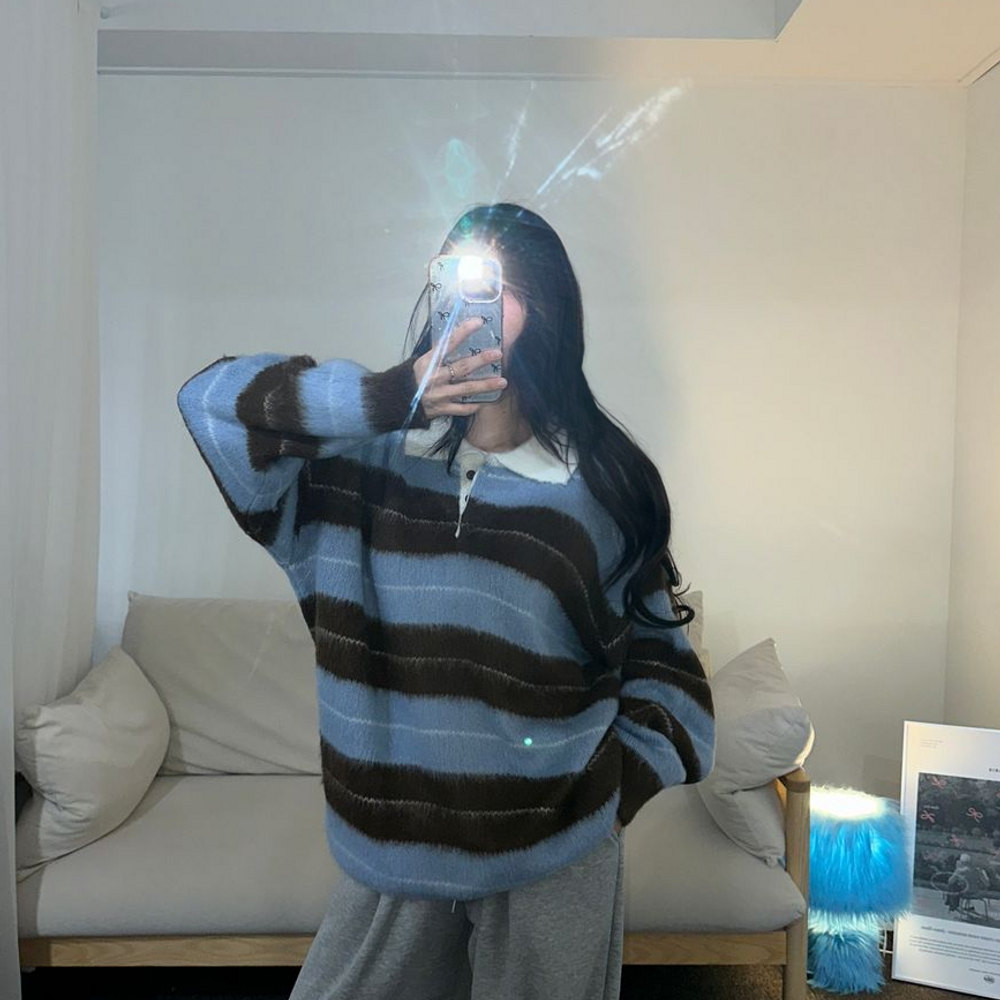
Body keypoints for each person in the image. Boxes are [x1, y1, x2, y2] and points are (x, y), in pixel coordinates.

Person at [176, 202, 715, 1000]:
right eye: (453, 279)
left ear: (549, 310)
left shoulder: (601, 486)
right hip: (391, 860)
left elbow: (673, 682)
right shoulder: (352, 471)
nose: (469, 305)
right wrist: (391, 396)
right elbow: (209, 404)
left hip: (556, 862)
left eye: (497, 286)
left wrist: (607, 802)